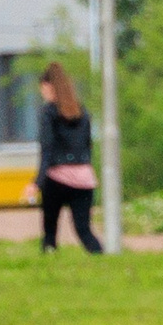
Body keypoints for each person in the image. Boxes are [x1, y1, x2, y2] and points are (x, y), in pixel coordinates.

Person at [30, 61, 103, 256]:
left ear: (48, 86)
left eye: (42, 88)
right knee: (84, 230)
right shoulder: (82, 111)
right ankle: (102, 260)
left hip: (56, 178)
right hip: (84, 178)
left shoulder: (48, 112)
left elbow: (47, 148)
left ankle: (49, 265)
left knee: (50, 231)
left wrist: (37, 182)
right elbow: (88, 145)